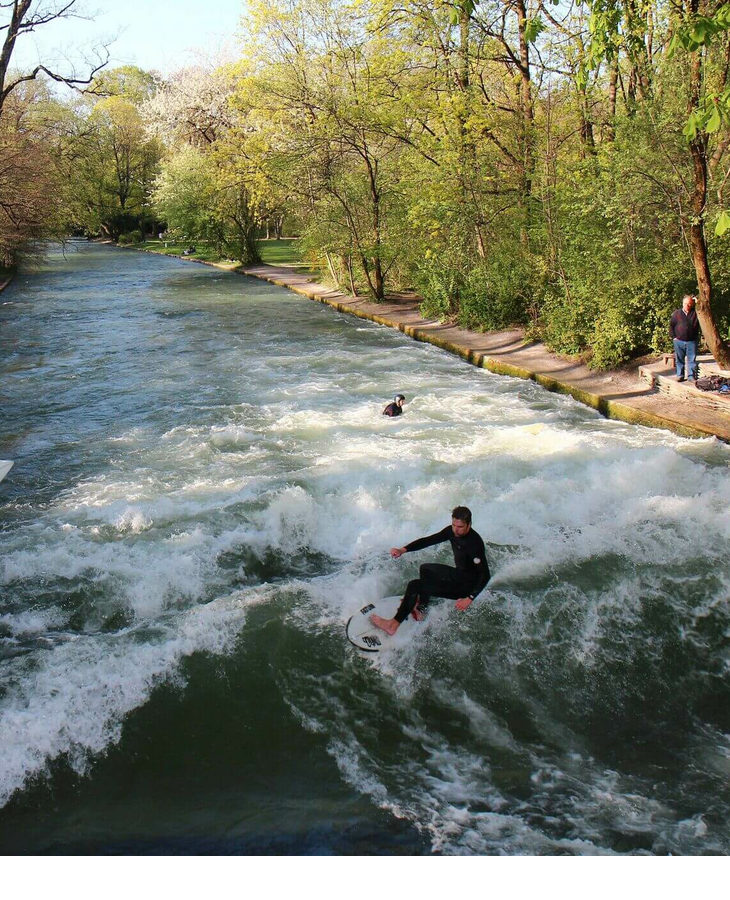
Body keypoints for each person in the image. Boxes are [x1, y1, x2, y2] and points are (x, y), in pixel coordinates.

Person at [370, 506, 490, 636]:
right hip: (458, 574)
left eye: (460, 527)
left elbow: (485, 574)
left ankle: (392, 625)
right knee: (426, 569)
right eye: (454, 525)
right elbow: (429, 540)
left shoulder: (474, 544)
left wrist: (469, 598)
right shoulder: (452, 531)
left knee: (414, 585)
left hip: (465, 587)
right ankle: (421, 608)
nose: (456, 529)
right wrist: (403, 550)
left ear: (469, 524)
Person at [670, 294, 700, 382]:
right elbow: (671, 326)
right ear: (683, 303)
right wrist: (673, 337)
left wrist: (697, 302)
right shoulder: (677, 313)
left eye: (689, 304)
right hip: (679, 340)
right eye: (686, 304)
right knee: (679, 360)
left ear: (692, 304)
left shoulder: (695, 312)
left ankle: (691, 376)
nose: (687, 305)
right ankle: (680, 375)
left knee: (692, 359)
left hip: (691, 340)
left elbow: (702, 309)